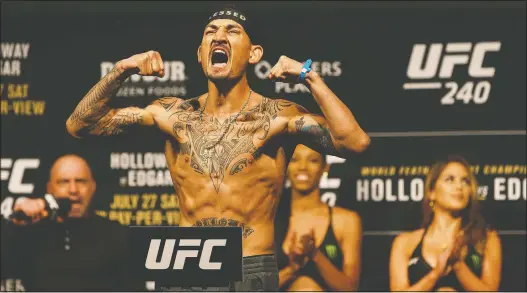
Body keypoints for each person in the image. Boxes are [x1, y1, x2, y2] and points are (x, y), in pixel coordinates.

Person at [65, 4, 370, 291]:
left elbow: (354, 142)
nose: (219, 36)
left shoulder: (278, 117)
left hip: (249, 266)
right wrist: (121, 70)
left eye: (232, 30)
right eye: (211, 31)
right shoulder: (172, 116)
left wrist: (310, 78)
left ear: (254, 54)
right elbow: (79, 125)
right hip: (186, 264)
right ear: (200, 54)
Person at [0, 154, 143, 291]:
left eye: (81, 181)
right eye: (64, 182)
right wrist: (16, 225)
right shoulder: (29, 235)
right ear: (49, 189)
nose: (73, 190)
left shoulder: (117, 235)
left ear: (93, 187)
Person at [389, 155, 502, 292]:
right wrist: (435, 274)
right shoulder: (405, 243)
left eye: (465, 181)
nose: (459, 186)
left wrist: (458, 265)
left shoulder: (486, 239)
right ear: (432, 192)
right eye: (450, 179)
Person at [275, 144, 362, 291]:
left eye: (313, 160)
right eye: (295, 160)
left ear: (325, 167)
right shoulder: (268, 220)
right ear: (286, 166)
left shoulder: (346, 221)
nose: (303, 167)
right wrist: (292, 269)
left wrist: (315, 255)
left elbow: (349, 288)